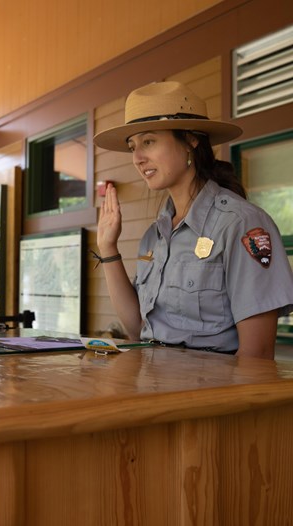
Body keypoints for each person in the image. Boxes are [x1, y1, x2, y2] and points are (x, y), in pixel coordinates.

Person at [93, 81, 293, 359]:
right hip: (151, 390)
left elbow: (256, 354)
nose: (137, 158)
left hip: (208, 397)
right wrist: (108, 249)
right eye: (132, 146)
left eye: (148, 141)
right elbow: (138, 330)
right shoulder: (156, 234)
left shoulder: (240, 223)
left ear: (191, 140)